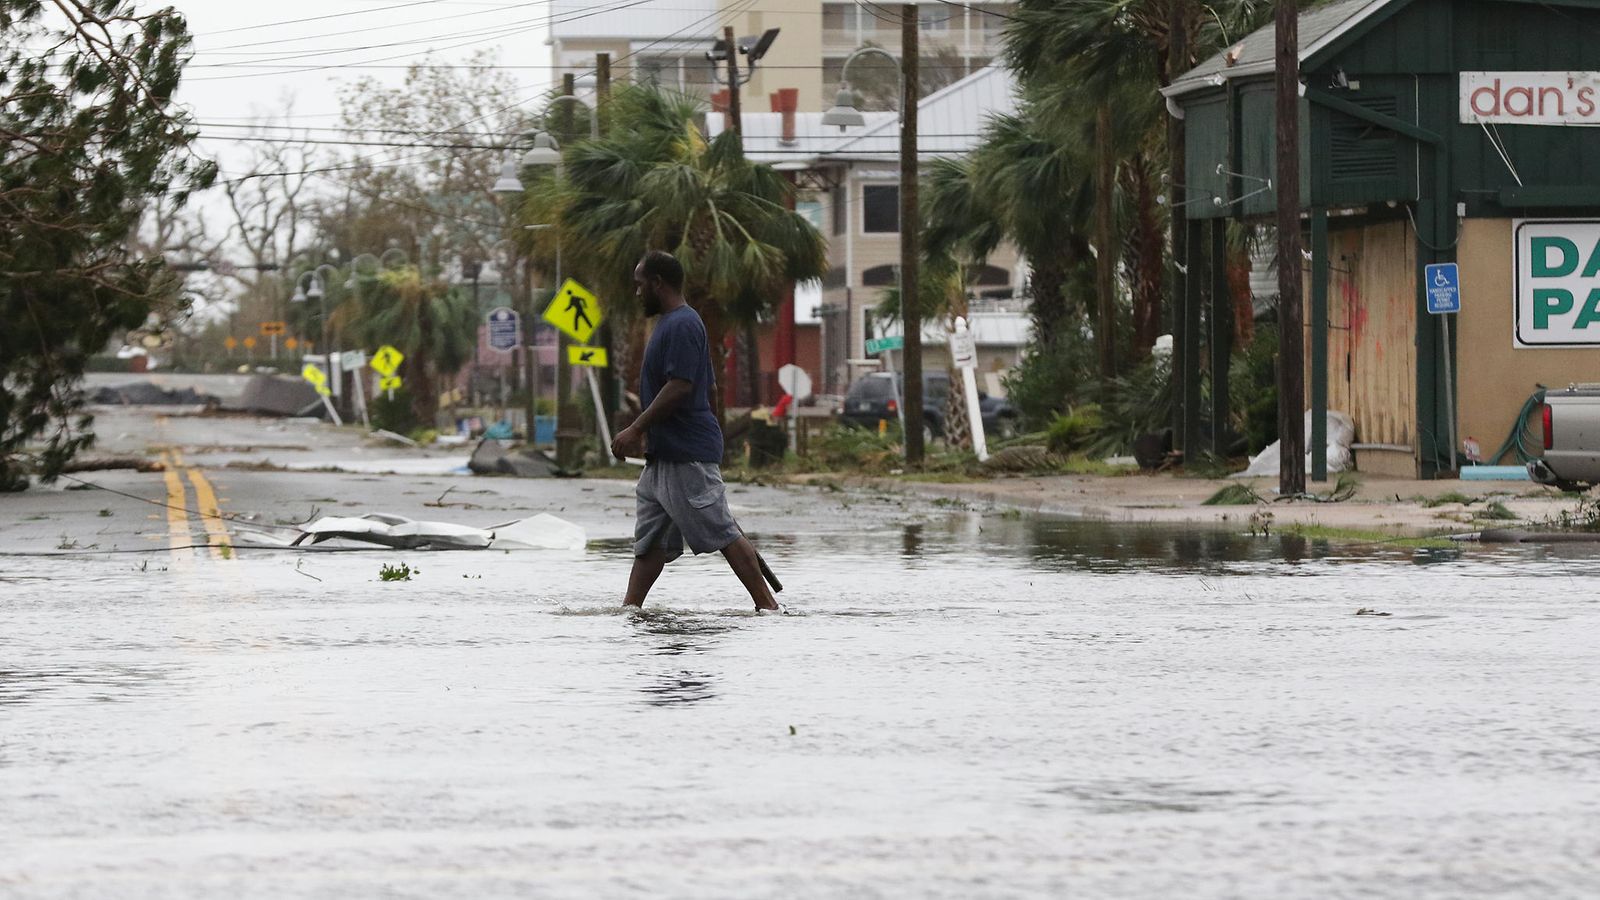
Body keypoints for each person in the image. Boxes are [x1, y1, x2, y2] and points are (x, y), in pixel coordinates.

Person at [610, 251, 779, 611]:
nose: (637, 293)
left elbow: (682, 385)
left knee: (721, 531)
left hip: (684, 455)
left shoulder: (683, 324)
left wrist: (636, 429)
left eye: (640, 285)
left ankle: (768, 608)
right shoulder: (672, 325)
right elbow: (712, 388)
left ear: (658, 283)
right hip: (665, 455)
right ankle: (629, 611)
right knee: (650, 541)